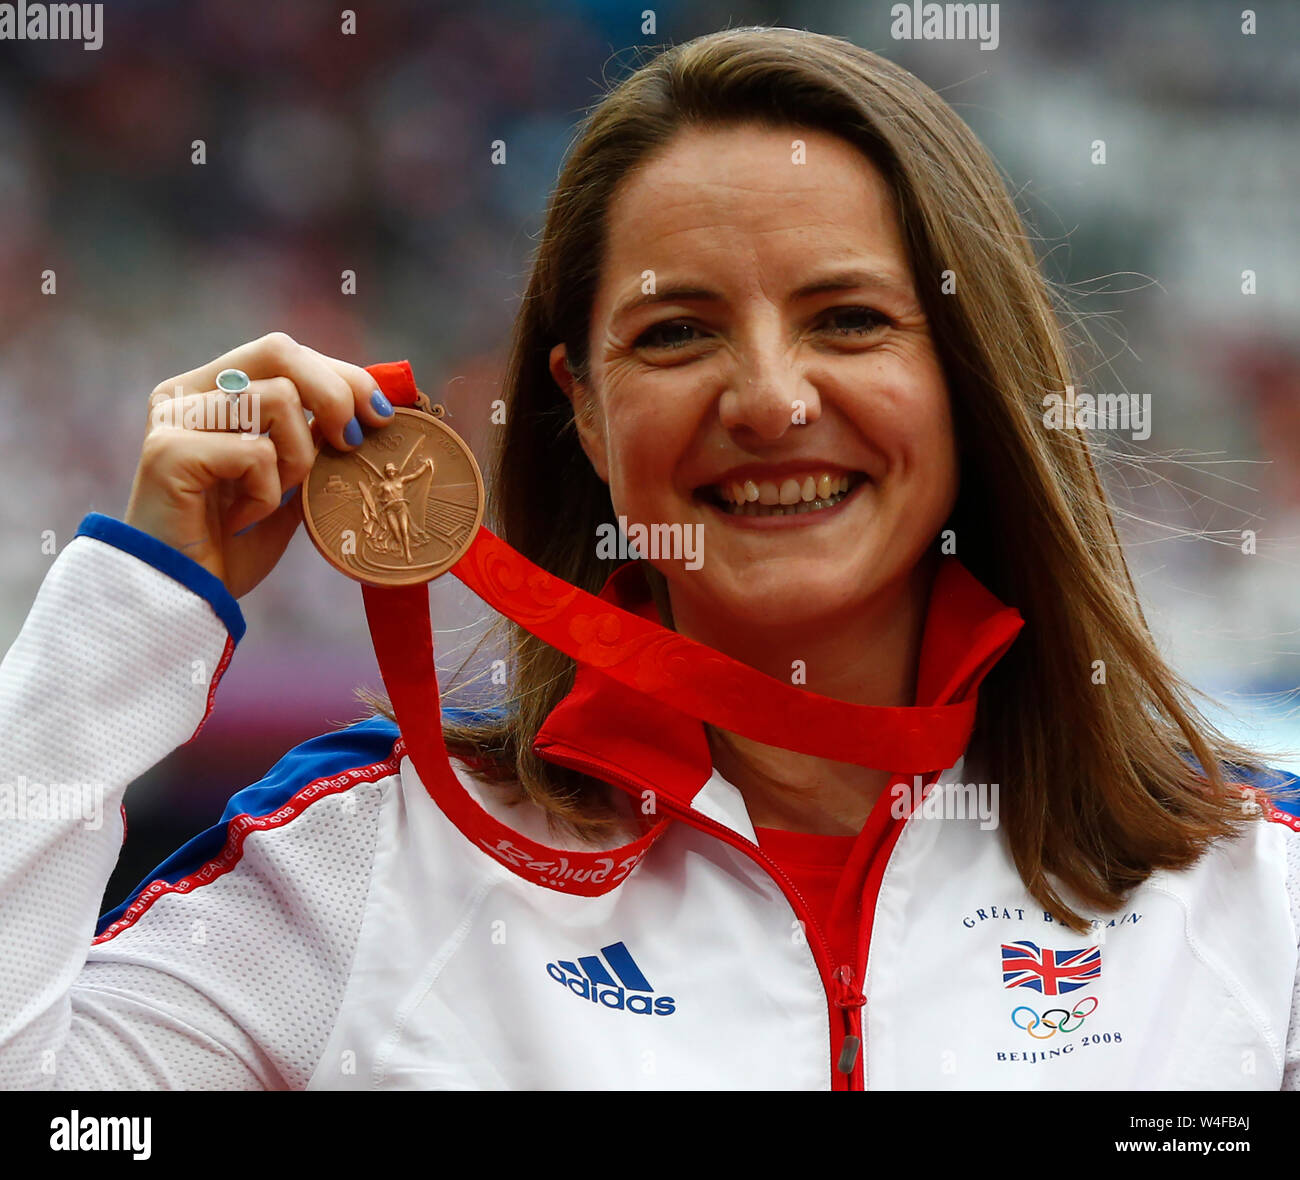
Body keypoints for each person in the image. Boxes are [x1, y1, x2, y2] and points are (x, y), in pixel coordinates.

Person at [1, 26, 1297, 1092]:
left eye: (848, 318)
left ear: (966, 374)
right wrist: (134, 602)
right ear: (585, 410)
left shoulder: (1254, 889)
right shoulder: (372, 862)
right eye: (677, 333)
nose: (772, 398)